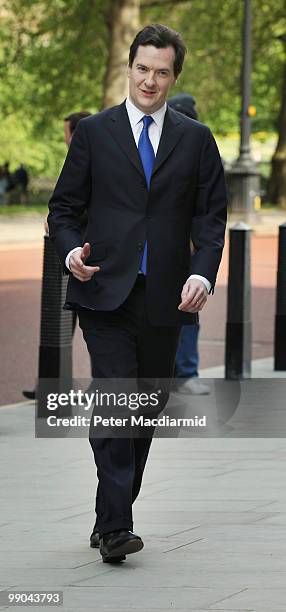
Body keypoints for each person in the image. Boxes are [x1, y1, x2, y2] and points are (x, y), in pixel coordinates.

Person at [48, 23, 227, 563]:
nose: (151, 80)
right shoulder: (96, 134)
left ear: (174, 76)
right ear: (130, 67)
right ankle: (118, 527)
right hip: (103, 290)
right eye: (143, 68)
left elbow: (210, 216)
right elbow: (64, 210)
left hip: (166, 298)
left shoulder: (195, 139)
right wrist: (71, 252)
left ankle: (109, 515)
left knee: (145, 407)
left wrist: (202, 272)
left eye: (162, 71)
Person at [22, 111, 92, 401]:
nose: (64, 138)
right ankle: (51, 385)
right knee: (60, 319)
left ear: (73, 133)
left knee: (87, 320)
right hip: (68, 249)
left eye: (66, 132)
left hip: (82, 251)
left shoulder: (90, 155)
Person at [168, 93, 210, 395]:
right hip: (164, 246)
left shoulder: (201, 150)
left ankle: (185, 372)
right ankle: (177, 374)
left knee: (188, 309)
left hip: (188, 248)